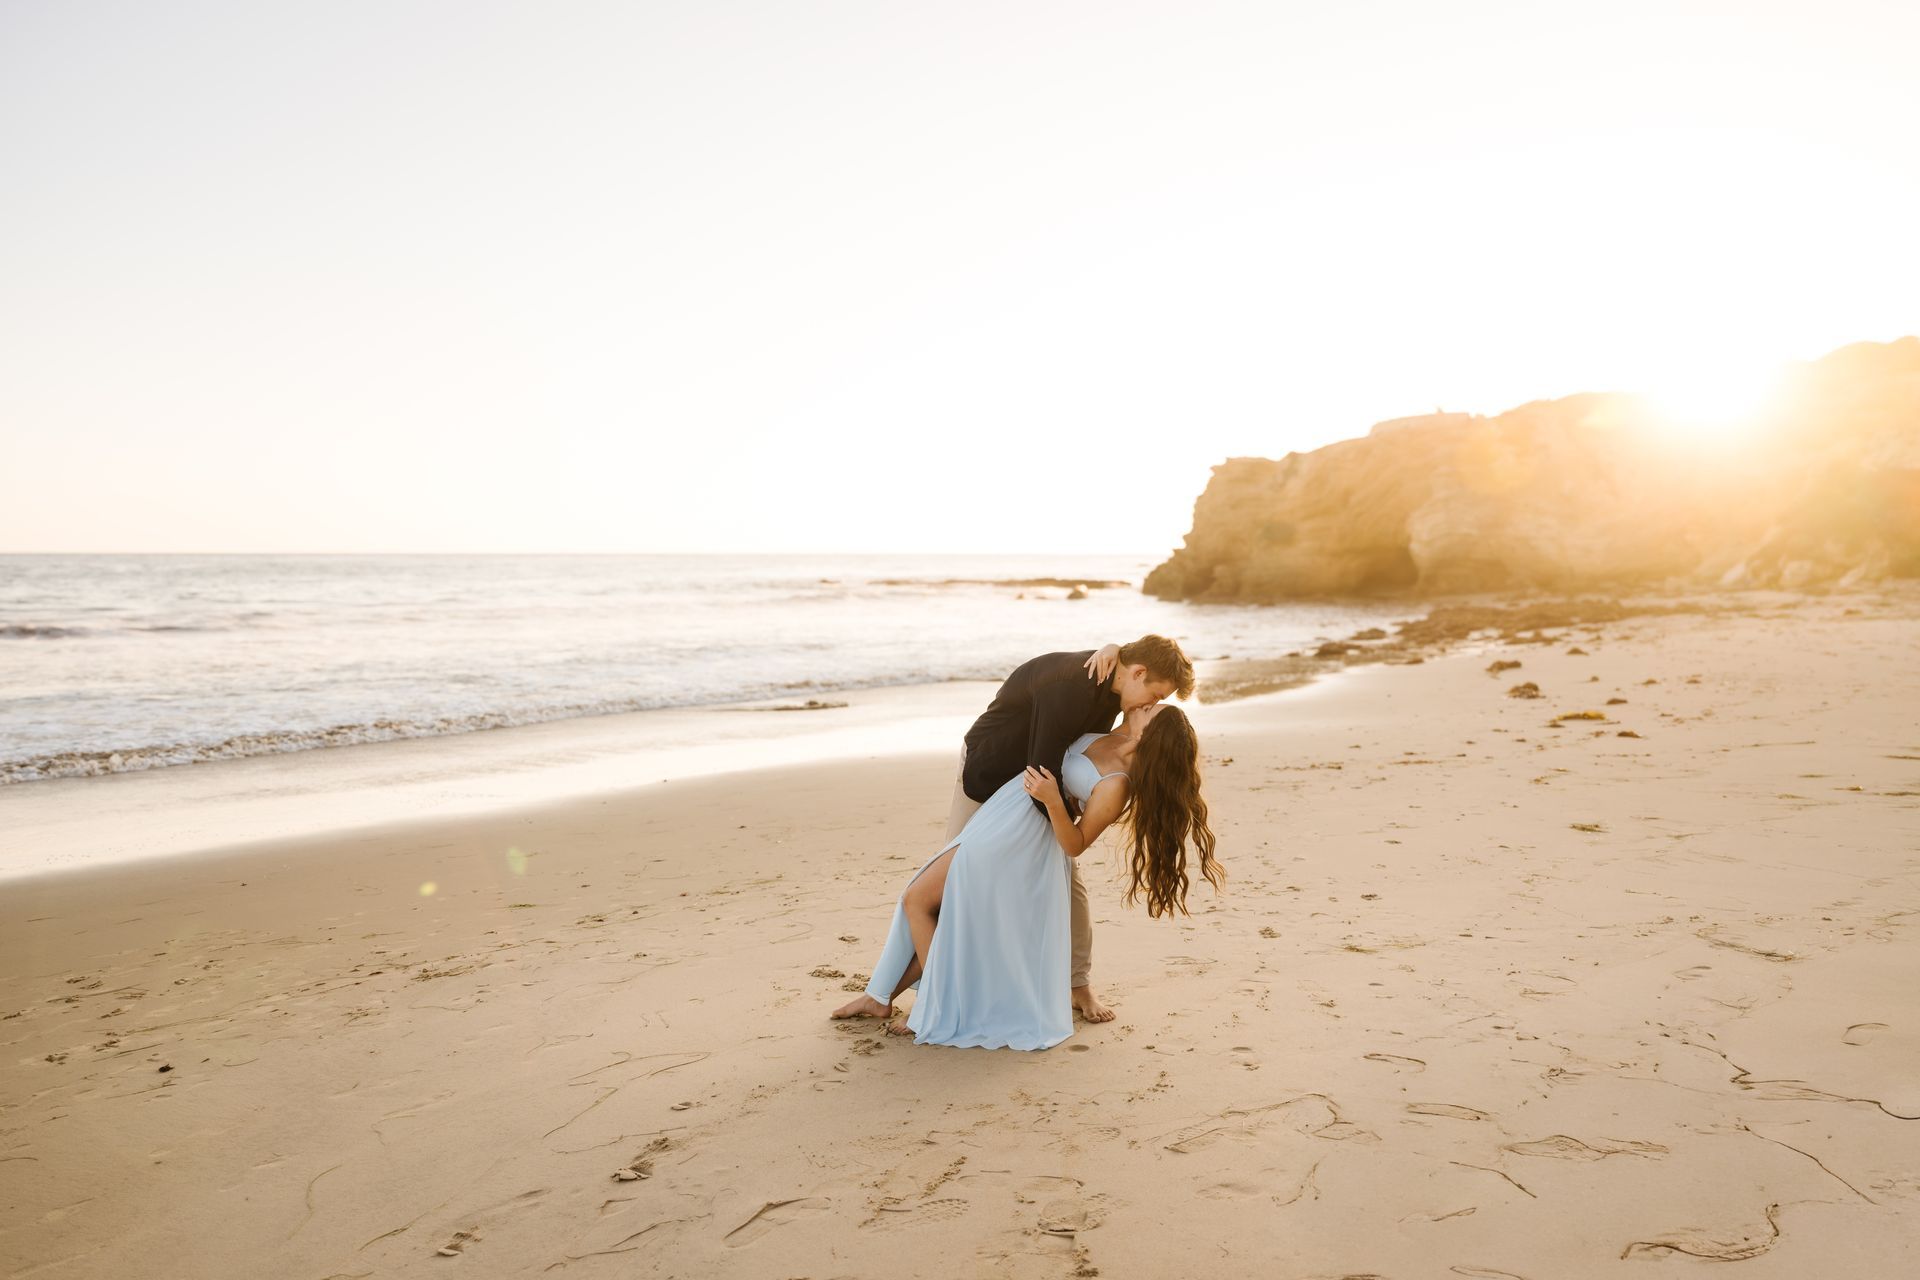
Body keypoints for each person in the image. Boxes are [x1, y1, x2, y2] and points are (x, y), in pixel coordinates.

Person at [830, 641, 1221, 1050]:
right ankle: (887, 996)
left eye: (1154, 708)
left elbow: (1074, 839)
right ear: (1137, 673)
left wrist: (1055, 802)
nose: (1147, 705)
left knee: (924, 901)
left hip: (1022, 830)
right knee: (937, 903)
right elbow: (1131, 662)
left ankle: (934, 1004)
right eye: (1155, 697)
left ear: (1153, 735)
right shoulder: (1095, 703)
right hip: (998, 794)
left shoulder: (1118, 781)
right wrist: (1114, 646)